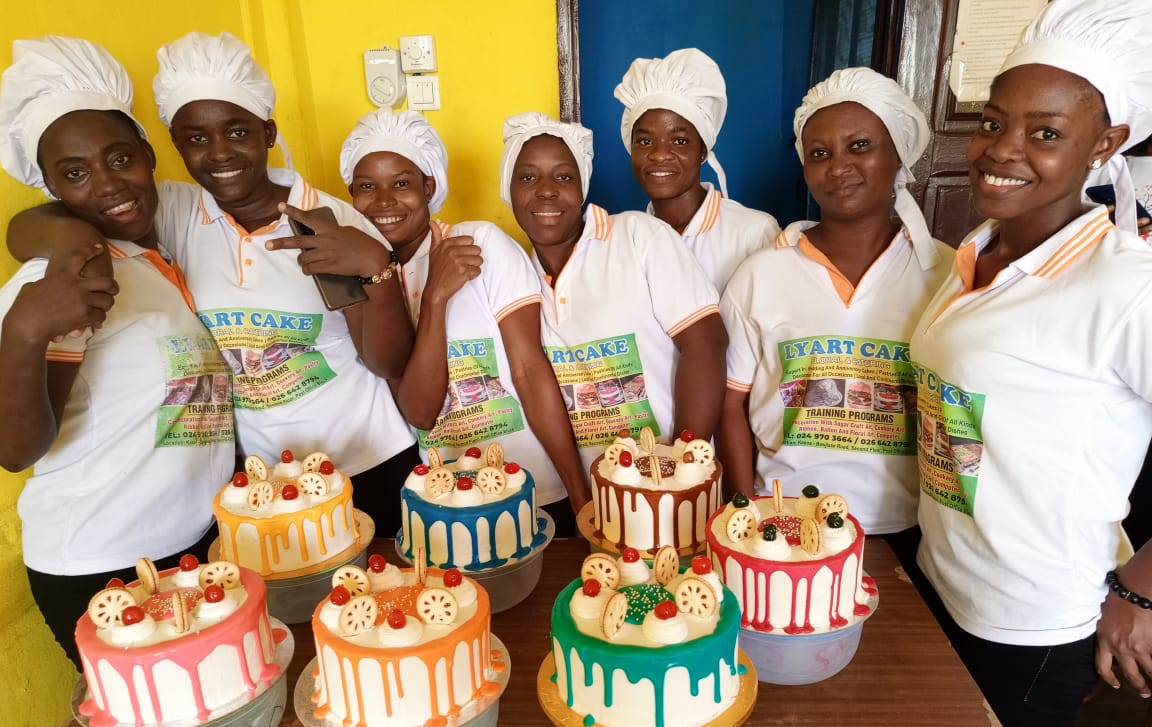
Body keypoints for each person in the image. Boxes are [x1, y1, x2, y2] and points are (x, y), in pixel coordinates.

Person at [8, 32, 419, 536]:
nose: (220, 153)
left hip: (367, 463)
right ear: (173, 147)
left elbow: (386, 362)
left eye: (237, 131)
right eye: (196, 139)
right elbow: (32, 223)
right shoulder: (177, 212)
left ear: (268, 132)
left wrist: (376, 267)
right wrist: (76, 243)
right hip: (266, 486)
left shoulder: (324, 220)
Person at [908, 0, 1152, 727]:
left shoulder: (1126, 286)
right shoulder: (976, 252)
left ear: (1105, 144)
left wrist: (1140, 592)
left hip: (1031, 621)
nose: (1001, 149)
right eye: (994, 121)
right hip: (943, 577)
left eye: (1045, 133)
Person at [0, 37, 235, 667]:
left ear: (148, 154)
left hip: (194, 544)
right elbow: (15, 450)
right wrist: (23, 331)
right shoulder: (60, 281)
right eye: (75, 174)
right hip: (103, 565)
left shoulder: (151, 253)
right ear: (49, 185)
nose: (108, 185)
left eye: (120, 158)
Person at [717, 68, 951, 571]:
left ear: (898, 155)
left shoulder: (946, 275)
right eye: (819, 153)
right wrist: (747, 511)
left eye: (860, 145)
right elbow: (731, 404)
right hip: (783, 525)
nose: (838, 166)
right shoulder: (761, 275)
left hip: (904, 530)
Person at [316, 108, 588, 533]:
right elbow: (420, 412)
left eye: (401, 183)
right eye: (367, 186)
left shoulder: (480, 244)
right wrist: (436, 298)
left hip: (534, 489)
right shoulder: (365, 280)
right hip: (447, 502)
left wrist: (578, 493)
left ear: (428, 186)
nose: (384, 201)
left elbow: (530, 370)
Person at [499, 112, 727, 477]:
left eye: (564, 176)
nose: (546, 190)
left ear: (582, 186)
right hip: (599, 493)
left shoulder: (638, 236)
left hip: (677, 484)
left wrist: (681, 468)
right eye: (527, 177)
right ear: (507, 191)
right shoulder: (516, 278)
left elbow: (706, 341)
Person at [614, 47, 780, 291]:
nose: (659, 154)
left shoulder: (754, 234)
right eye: (645, 141)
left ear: (703, 150)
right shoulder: (626, 239)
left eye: (680, 141)